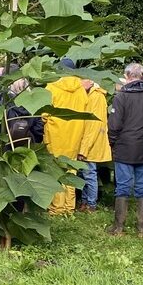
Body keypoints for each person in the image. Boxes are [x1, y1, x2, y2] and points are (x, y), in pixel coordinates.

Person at [107, 63, 143, 236]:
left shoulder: (121, 96)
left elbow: (114, 124)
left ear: (126, 75)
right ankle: (142, 228)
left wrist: (112, 142)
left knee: (122, 186)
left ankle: (119, 227)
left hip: (125, 146)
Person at [42, 62, 88, 215]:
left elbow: (44, 114)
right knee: (71, 170)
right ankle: (69, 207)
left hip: (55, 136)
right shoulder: (81, 89)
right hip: (74, 137)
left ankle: (56, 208)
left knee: (55, 171)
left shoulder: (52, 87)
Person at [77, 78, 112, 212]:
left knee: (89, 174)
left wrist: (83, 149)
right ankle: (85, 202)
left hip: (91, 144)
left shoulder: (96, 96)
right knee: (85, 174)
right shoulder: (93, 95)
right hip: (89, 142)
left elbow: (92, 126)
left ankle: (91, 204)